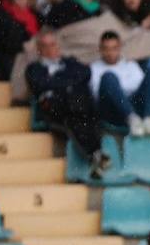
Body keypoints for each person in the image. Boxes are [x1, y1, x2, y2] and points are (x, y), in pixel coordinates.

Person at [27, 27, 109, 178]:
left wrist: (58, 82)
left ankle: (95, 155)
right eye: (46, 45)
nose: (51, 49)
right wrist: (68, 84)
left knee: (75, 114)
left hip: (75, 108)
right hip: (54, 107)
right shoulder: (34, 68)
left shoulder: (70, 62)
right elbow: (40, 85)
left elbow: (85, 74)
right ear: (39, 49)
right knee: (76, 103)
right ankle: (96, 152)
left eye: (54, 44)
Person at [91, 30, 150, 137]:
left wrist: (119, 90)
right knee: (109, 77)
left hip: (133, 105)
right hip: (112, 111)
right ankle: (132, 118)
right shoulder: (93, 68)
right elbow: (99, 94)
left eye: (114, 48)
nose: (110, 53)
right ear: (100, 50)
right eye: (106, 49)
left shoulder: (130, 64)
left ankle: (149, 119)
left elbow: (142, 89)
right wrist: (119, 89)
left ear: (119, 47)